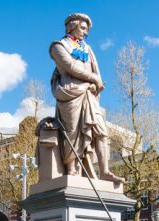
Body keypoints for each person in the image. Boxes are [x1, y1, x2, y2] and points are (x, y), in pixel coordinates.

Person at [49, 13, 123, 183]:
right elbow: (70, 66)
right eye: (83, 28)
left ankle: (104, 171)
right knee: (73, 132)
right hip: (70, 93)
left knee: (101, 132)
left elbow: (96, 72)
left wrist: (96, 83)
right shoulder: (58, 46)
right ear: (71, 26)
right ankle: (72, 169)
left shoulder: (87, 48)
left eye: (87, 29)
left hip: (89, 95)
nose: (86, 32)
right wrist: (93, 78)